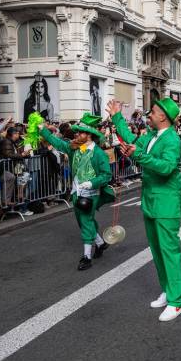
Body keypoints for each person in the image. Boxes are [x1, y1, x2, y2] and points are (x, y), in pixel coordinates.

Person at [108, 98, 181, 322]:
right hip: (151, 201)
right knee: (157, 250)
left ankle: (176, 301)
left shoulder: (172, 139)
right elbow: (133, 141)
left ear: (163, 116)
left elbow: (167, 167)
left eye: (152, 112)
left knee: (169, 252)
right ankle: (168, 290)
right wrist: (116, 118)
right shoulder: (152, 136)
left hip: (166, 203)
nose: (147, 115)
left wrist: (138, 155)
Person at [39, 114, 115, 270]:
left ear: (89, 135)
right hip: (76, 192)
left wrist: (92, 183)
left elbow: (107, 175)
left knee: (86, 220)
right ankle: (100, 243)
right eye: (77, 132)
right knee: (83, 221)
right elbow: (58, 143)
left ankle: (86, 256)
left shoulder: (99, 153)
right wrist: (43, 131)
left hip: (91, 194)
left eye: (81, 132)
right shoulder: (75, 148)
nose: (77, 134)